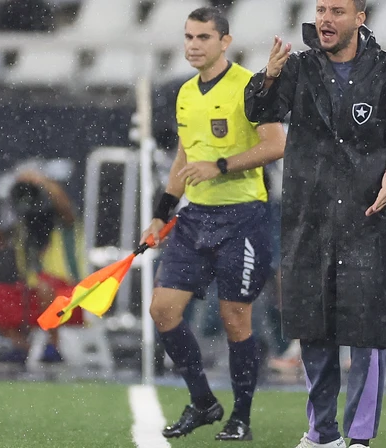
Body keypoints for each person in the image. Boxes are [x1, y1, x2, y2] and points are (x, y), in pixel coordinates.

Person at [244, 0, 386, 446]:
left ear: (359, 18)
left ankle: (360, 438)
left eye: (337, 11)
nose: (325, 19)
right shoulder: (298, 69)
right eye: (321, 9)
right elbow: (258, 111)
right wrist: (267, 77)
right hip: (308, 219)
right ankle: (321, 432)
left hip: (366, 221)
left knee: (366, 332)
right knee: (313, 327)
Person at [141, 7, 286, 441]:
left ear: (225, 41)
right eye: (188, 37)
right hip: (193, 220)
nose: (193, 45)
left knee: (235, 318)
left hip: (243, 217)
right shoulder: (185, 92)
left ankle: (240, 416)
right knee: (162, 311)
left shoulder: (250, 86)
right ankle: (204, 402)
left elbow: (276, 145)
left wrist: (220, 166)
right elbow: (184, 159)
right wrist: (159, 213)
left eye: (203, 37)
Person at [0, 159, 84, 372]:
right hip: (32, 297)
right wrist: (0, 209)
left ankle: (53, 347)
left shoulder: (64, 222)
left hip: (68, 296)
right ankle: (23, 347)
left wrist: (40, 182)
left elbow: (64, 206)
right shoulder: (20, 224)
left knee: (45, 285)